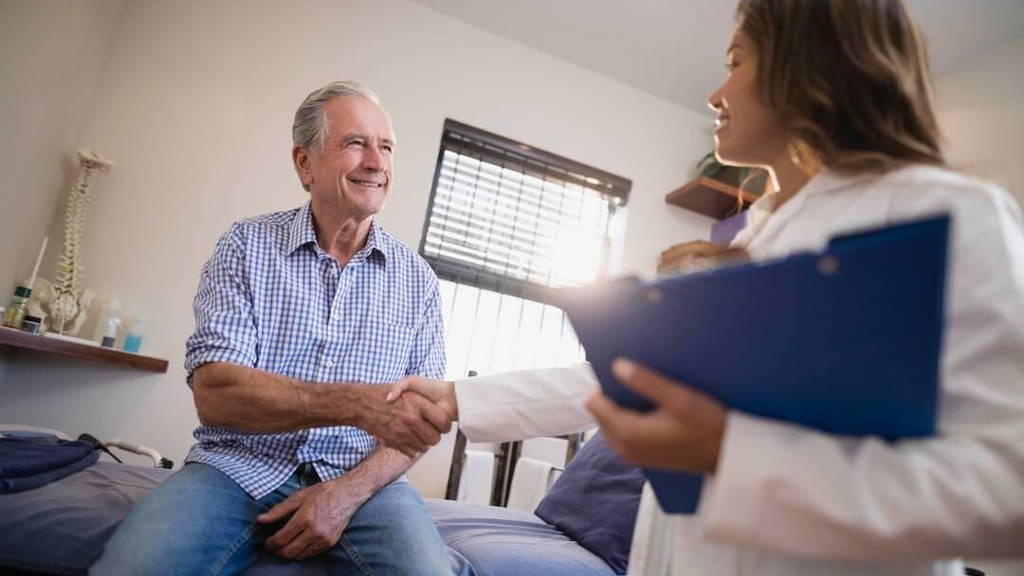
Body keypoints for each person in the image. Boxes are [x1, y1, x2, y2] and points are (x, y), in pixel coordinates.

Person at [388, 0, 1024, 574]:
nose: (717, 93)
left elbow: (1008, 488)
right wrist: (459, 397)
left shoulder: (948, 215)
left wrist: (732, 452)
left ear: (810, 65)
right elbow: (634, 379)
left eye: (735, 60)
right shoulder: (756, 240)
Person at [91, 81, 471, 576]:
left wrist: (345, 493)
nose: (377, 162)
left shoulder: (418, 281)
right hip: (234, 469)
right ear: (304, 163)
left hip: (365, 484)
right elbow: (216, 393)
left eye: (387, 146)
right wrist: (357, 405)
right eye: (356, 143)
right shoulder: (246, 245)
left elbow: (417, 426)